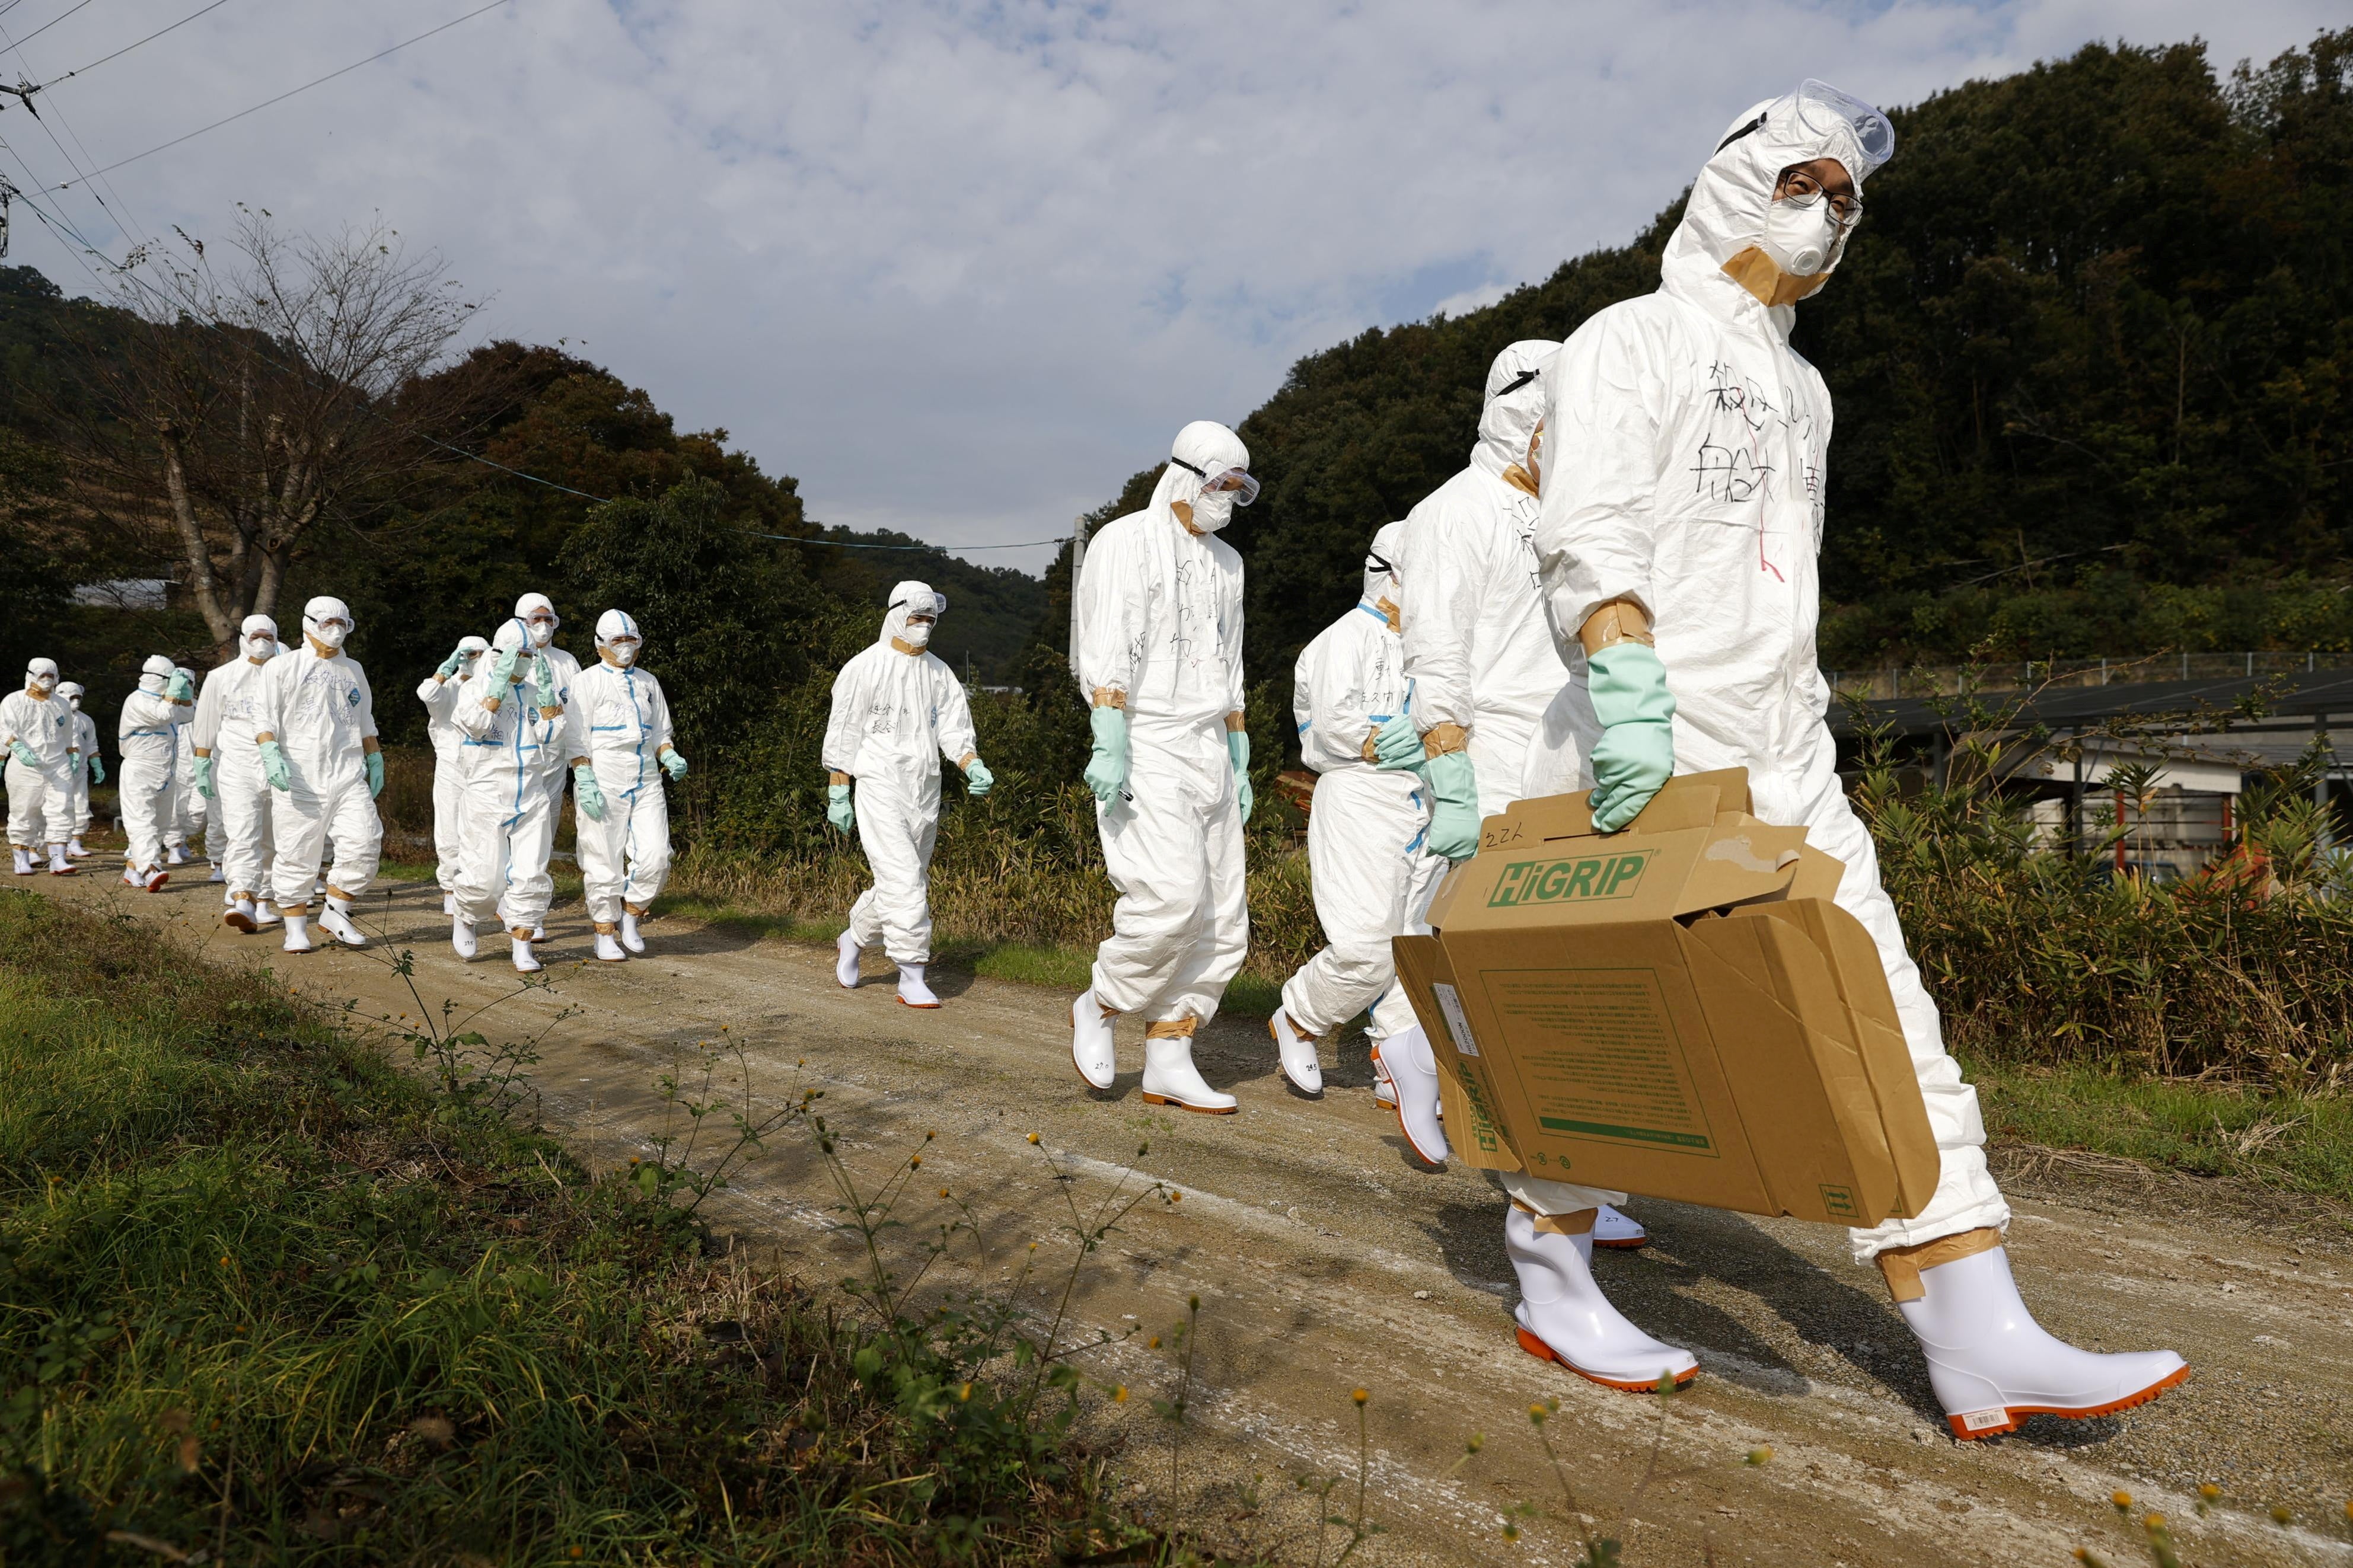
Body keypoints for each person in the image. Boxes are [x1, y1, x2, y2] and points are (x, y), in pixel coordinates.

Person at [1513, 81, 2186, 1432]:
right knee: (1609, 1033)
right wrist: (1622, 666)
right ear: (1725, 188)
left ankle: (1974, 1323)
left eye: (1845, 201)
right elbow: (1580, 519)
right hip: (1643, 733)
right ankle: (1548, 1265)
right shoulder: (1622, 339)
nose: (1824, 217)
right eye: (1800, 186)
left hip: (1780, 743)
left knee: (1876, 1014)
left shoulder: (1802, 391)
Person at [1069, 421, 1256, 1112]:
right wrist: (1108, 735)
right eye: (1218, 484)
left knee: (1220, 914)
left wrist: (1238, 751)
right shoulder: (1123, 540)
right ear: (1183, 474)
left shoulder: (1229, 564)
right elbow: (1108, 639)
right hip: (1145, 738)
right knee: (1169, 896)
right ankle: (1102, 1002)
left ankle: (1169, 1054)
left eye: (1236, 489)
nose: (1226, 499)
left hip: (1208, 740)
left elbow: (1230, 658)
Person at [1267, 525, 1449, 1125]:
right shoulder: (1339, 641)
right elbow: (1327, 729)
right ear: (1388, 572)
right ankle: (1299, 1015)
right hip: (1357, 797)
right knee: (1368, 946)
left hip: (1423, 799)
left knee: (1414, 939)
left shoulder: (1431, 645)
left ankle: (1394, 1059)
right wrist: (1394, 739)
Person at [824, 585, 989, 1005]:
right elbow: (844, 731)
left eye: (930, 620)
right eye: (917, 618)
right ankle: (912, 972)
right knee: (905, 880)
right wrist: (838, 791)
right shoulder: (864, 667)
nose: (924, 626)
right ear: (897, 614)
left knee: (904, 879)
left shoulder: (939, 673)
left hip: (924, 786)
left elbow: (953, 726)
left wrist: (971, 762)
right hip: (878, 782)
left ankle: (853, 938)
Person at [451, 617, 603, 973]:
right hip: (487, 792)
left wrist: (550, 703)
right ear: (498, 655)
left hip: (530, 790)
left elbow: (551, 735)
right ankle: (466, 914)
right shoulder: (474, 687)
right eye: (517, 655)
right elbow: (475, 725)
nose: (523, 661)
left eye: (529, 655)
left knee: (532, 872)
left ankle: (522, 941)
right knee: (483, 879)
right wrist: (497, 690)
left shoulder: (534, 689)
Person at [254, 596, 384, 954]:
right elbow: (264, 718)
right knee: (298, 853)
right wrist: (270, 753)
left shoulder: (353, 669)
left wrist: (374, 756)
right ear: (308, 623)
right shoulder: (281, 668)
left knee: (365, 841)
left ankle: (336, 911)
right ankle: (295, 928)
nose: (336, 631)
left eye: (343, 624)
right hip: (300, 775)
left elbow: (364, 719)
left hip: (347, 774)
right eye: (329, 624)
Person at [575, 611, 688, 962]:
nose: (625, 648)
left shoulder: (648, 682)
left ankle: (632, 914)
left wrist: (669, 755)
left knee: (657, 855)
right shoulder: (587, 682)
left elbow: (660, 731)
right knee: (603, 857)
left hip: (646, 776)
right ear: (600, 646)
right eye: (617, 641)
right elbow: (575, 738)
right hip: (603, 778)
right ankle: (604, 931)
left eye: (631, 640)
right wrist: (583, 775)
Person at [195, 615, 285, 933]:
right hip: (237, 764)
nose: (263, 643)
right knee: (243, 831)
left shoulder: (287, 673)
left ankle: (265, 900)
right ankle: (243, 896)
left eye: (269, 637)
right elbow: (205, 721)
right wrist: (202, 763)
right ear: (243, 638)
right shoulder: (222, 677)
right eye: (256, 636)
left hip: (280, 764)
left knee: (275, 836)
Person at [416, 635, 490, 916]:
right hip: (450, 765)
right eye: (469, 654)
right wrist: (445, 670)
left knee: (483, 829)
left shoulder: (490, 688)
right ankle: (450, 888)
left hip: (483, 765)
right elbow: (427, 694)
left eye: (480, 654)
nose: (474, 659)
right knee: (448, 830)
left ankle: (480, 887)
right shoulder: (447, 688)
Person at [116, 655, 195, 893]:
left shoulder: (166, 702)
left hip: (166, 771)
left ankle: (133, 868)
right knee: (141, 824)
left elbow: (188, 716)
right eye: (170, 679)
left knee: (160, 826)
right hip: (139, 769)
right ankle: (151, 869)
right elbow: (163, 715)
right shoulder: (138, 700)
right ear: (156, 678)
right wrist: (173, 692)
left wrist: (185, 694)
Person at [4, 659, 80, 876]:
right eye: (42, 676)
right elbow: (3, 727)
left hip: (58, 765)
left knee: (62, 809)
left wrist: (71, 755)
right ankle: (21, 860)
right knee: (25, 811)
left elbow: (67, 735)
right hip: (26, 766)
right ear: (31, 676)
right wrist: (15, 746)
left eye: (51, 676)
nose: (47, 680)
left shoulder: (61, 703)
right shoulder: (14, 701)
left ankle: (58, 859)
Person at [166, 667, 212, 874]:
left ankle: (182, 837)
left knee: (199, 811)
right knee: (175, 810)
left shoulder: (201, 708)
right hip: (174, 768)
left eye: (188, 684)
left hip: (199, 767)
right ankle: (174, 845)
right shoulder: (166, 707)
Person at [57, 682, 100, 859]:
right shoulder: (55, 716)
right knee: (56, 805)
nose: (76, 701)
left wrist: (96, 763)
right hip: (57, 769)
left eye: (78, 698)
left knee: (81, 804)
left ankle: (75, 842)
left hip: (80, 770)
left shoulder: (85, 720)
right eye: (72, 698)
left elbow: (91, 743)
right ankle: (48, 844)